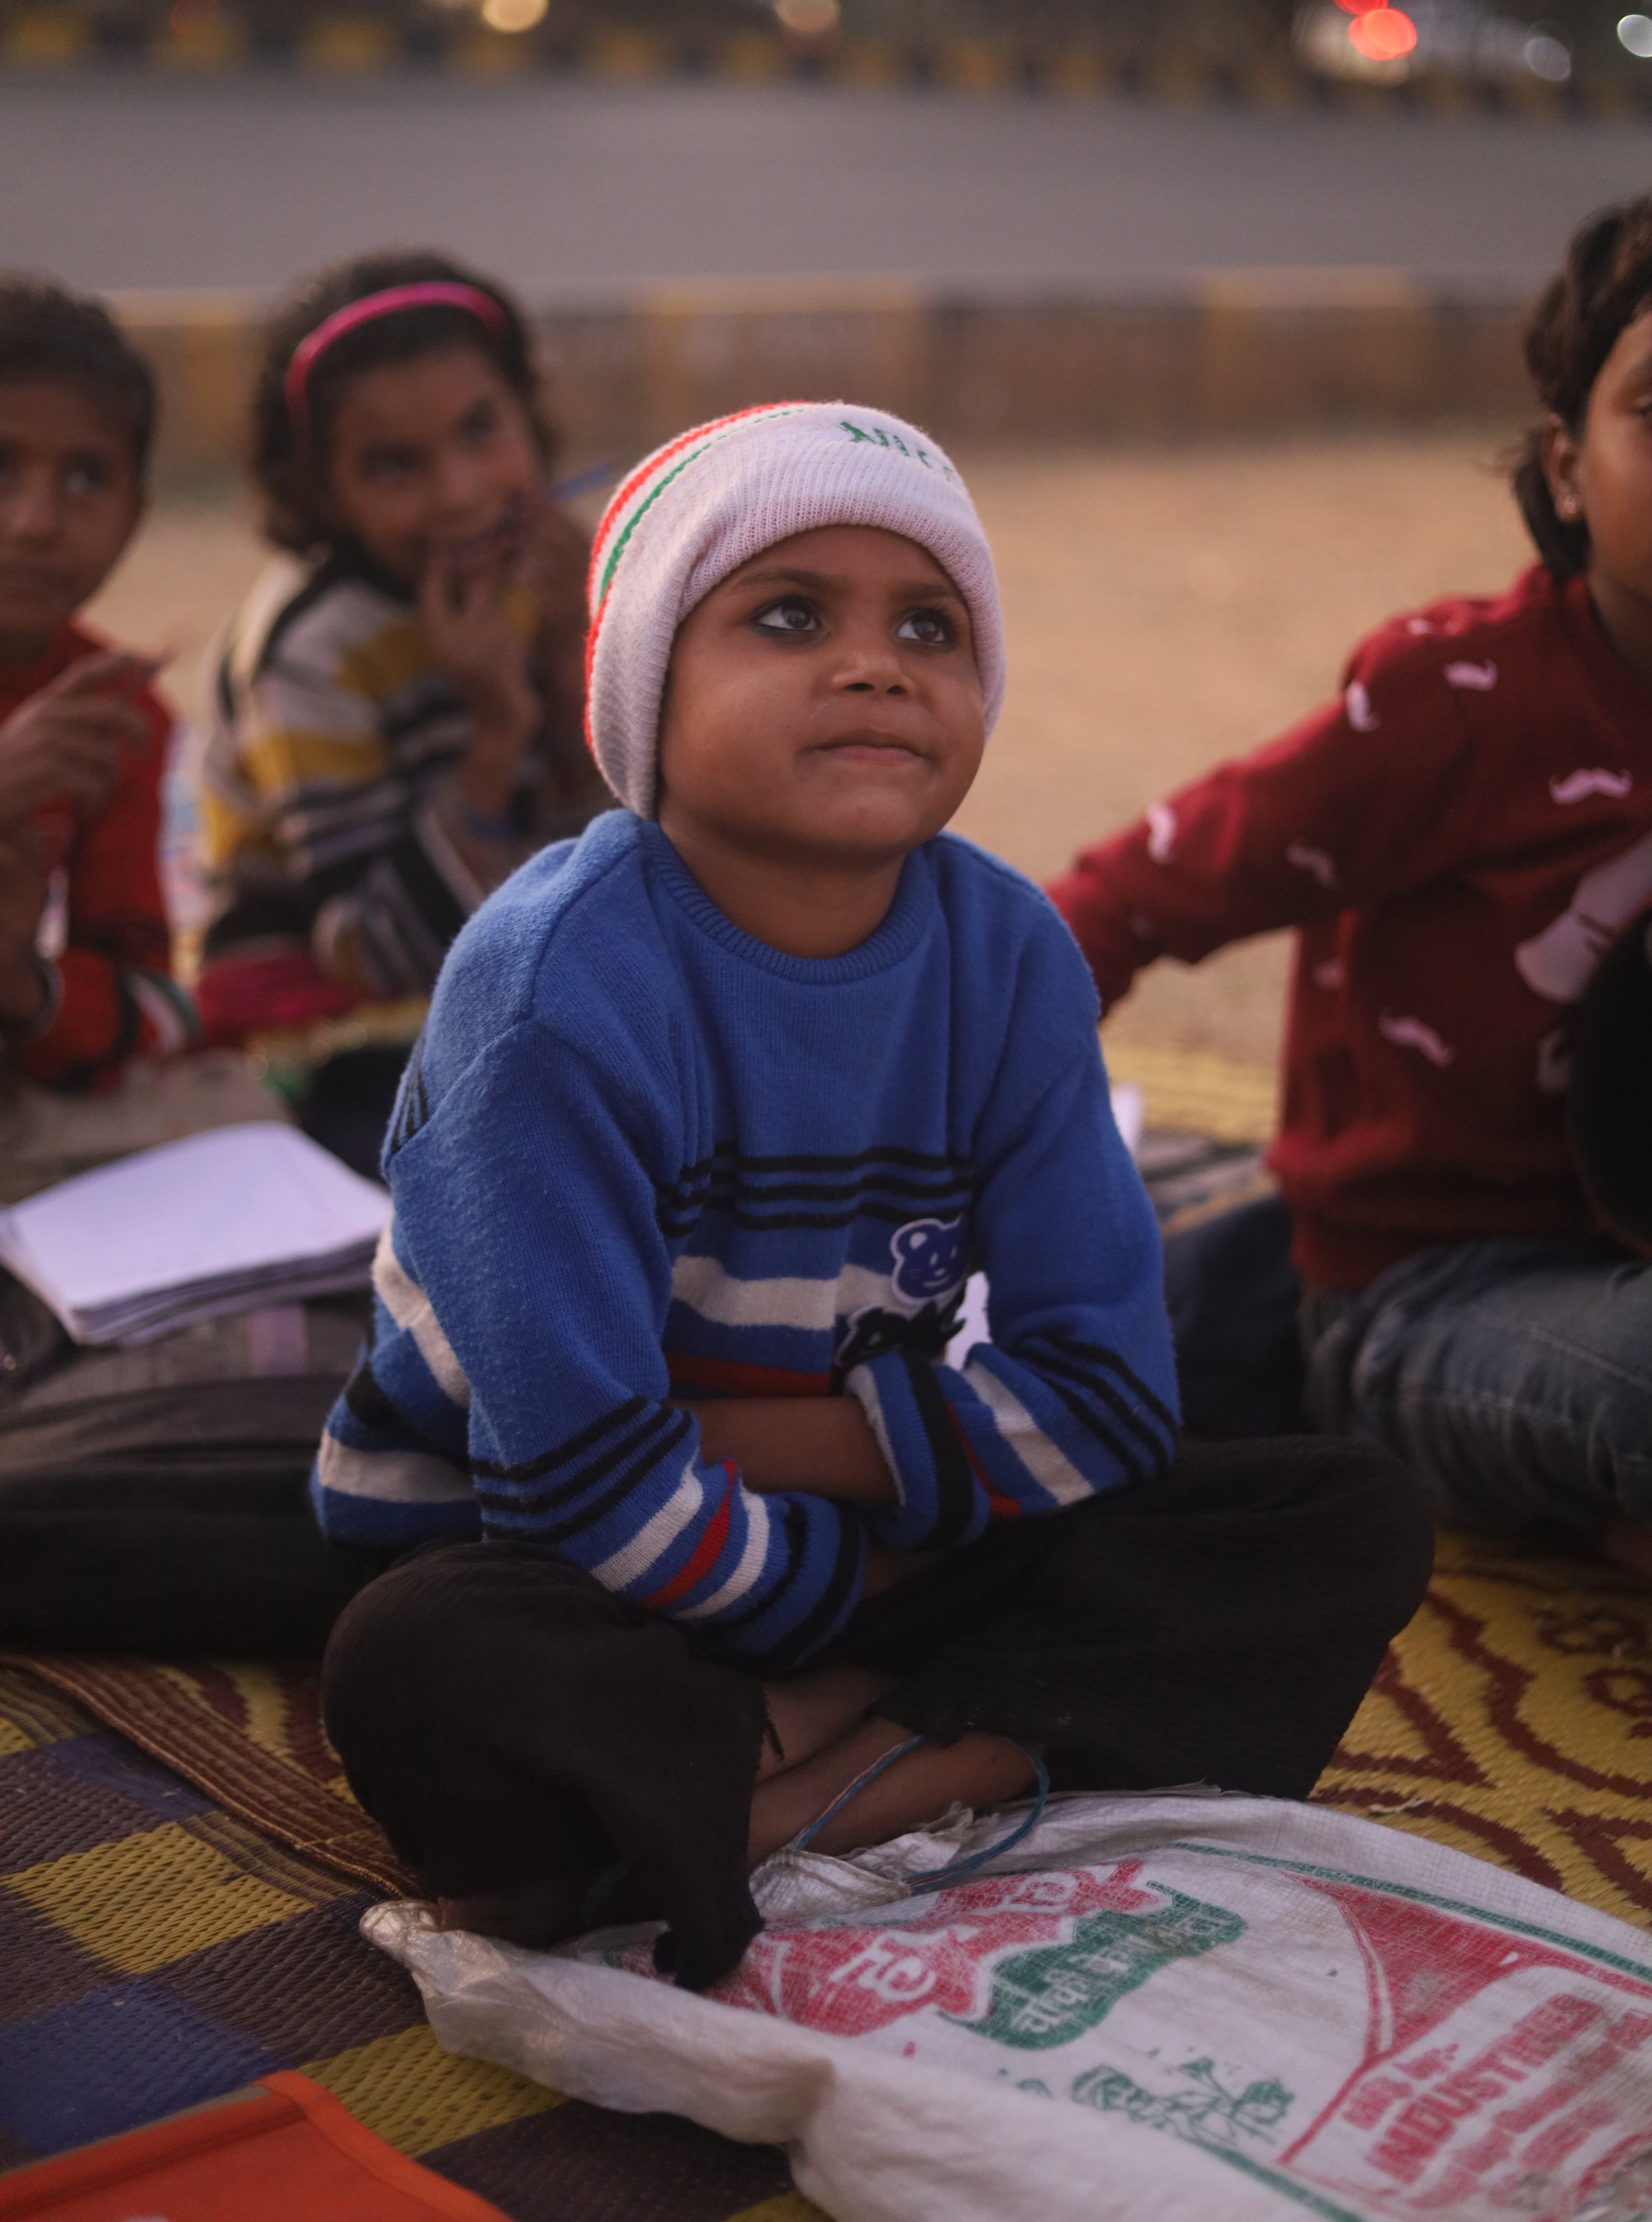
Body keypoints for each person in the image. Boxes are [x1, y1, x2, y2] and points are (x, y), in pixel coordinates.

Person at [316, 402, 1430, 1987]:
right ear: (646, 689)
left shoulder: (1009, 954)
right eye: (787, 616)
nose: (874, 663)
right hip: (554, 1560)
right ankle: (898, 1748)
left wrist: (778, 1487)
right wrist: (856, 1604)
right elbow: (566, 1488)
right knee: (422, 1665)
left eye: (929, 624)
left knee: (1341, 1518)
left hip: (835, 1529)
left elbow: (1110, 1398)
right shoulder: (550, 983)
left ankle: (773, 1806)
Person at [1050, 195, 1652, 1584]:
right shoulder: (1465, 704)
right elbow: (1148, 887)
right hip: (1432, 1294)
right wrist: (920, 1095)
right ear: (1566, 470)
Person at [194, 250, 608, 1168]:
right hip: (333, 1031)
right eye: (393, 466)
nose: (459, 492)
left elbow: (604, 858)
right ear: (318, 492)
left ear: (529, 417)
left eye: (481, 431)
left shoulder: (544, 580)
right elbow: (371, 955)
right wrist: (494, 737)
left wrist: (572, 660)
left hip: (506, 980)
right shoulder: (309, 653)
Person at [0, 277, 195, 1093]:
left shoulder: (112, 717)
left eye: (86, 480)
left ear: (135, 516)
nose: (35, 521)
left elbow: (158, 1009)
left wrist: (25, 988)